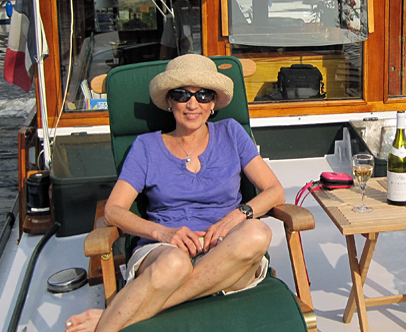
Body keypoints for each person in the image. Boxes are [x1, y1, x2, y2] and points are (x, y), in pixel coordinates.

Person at [65, 54, 285, 332]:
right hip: (166, 252)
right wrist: (163, 233)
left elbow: (275, 191)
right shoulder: (147, 147)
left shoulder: (231, 133)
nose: (193, 104)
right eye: (182, 95)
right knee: (175, 264)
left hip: (225, 251)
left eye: (203, 95)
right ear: (169, 101)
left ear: (214, 103)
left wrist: (236, 217)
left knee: (257, 233)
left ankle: (116, 314)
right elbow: (113, 211)